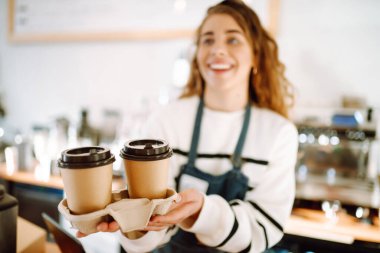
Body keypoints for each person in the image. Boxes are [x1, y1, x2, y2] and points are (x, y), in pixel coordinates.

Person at [78, 0, 298, 252]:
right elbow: (145, 234)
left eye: (233, 40)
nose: (217, 50)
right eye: (208, 40)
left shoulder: (278, 133)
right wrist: (132, 224)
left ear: (256, 55)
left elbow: (263, 228)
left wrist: (202, 213)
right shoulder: (167, 120)